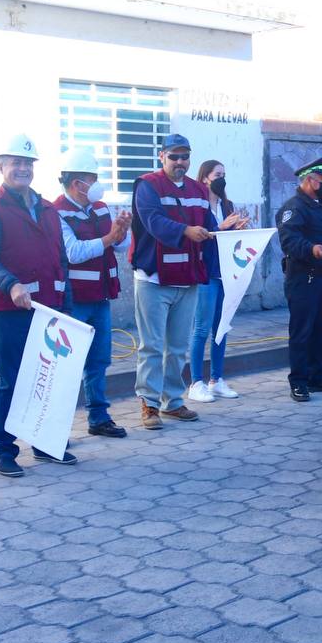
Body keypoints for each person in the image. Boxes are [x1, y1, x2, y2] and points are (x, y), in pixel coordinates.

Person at [0, 133, 77, 477]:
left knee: (49, 379)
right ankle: (5, 450)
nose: (22, 168)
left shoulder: (48, 209)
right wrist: (11, 284)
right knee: (13, 381)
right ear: (0, 166)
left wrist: (66, 301)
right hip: (12, 311)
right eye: (15, 162)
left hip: (51, 310)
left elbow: (60, 258)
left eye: (28, 163)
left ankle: (46, 444)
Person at [129, 134, 217, 429]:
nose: (180, 163)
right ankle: (149, 404)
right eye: (174, 157)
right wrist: (186, 231)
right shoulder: (147, 185)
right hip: (153, 279)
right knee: (152, 346)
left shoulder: (197, 189)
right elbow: (152, 221)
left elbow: (208, 225)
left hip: (187, 278)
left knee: (177, 346)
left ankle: (173, 402)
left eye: (185, 157)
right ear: (162, 156)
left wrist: (226, 232)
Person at [53, 148, 132, 438]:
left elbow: (120, 247)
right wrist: (109, 238)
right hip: (74, 300)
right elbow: (72, 252)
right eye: (92, 178)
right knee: (69, 365)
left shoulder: (100, 207)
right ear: (77, 183)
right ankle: (57, 427)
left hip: (101, 296)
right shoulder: (56, 213)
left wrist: (122, 232)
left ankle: (99, 418)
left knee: (99, 360)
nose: (96, 184)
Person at [277, 157, 322, 402]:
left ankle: (316, 375)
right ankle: (298, 381)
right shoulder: (293, 208)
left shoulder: (320, 206)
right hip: (303, 279)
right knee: (302, 331)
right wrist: (310, 249)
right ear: (310, 180)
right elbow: (289, 240)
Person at [187, 159, 250, 403]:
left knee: (221, 328)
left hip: (226, 272)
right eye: (217, 174)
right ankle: (195, 382)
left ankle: (217, 379)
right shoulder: (198, 206)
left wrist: (239, 230)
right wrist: (221, 227)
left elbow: (229, 239)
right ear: (205, 178)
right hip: (206, 272)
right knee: (201, 328)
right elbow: (201, 236)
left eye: (224, 173)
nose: (221, 178)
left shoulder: (227, 204)